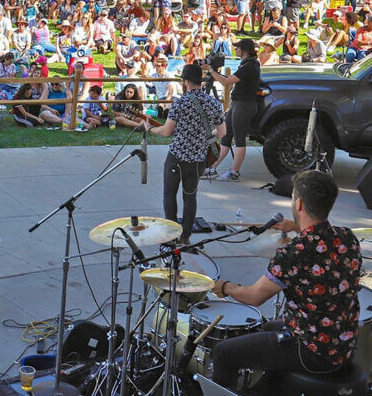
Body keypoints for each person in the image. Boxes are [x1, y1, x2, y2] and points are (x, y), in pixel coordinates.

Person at [210, 171, 361, 391]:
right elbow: (319, 239)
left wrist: (225, 287)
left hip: (312, 350)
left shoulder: (293, 253)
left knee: (224, 352)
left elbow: (253, 297)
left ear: (298, 204)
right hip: (343, 343)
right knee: (269, 327)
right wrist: (297, 226)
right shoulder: (347, 237)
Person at [145, 64, 226, 244]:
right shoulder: (213, 103)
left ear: (186, 82)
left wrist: (151, 130)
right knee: (190, 196)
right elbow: (222, 133)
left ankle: (171, 235)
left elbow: (166, 132)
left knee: (169, 195)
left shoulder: (180, 103)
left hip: (177, 157)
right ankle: (186, 237)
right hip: (198, 159)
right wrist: (202, 137)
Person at [203, 38, 261, 182]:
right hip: (238, 104)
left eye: (238, 47)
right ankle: (212, 168)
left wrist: (210, 70)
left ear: (245, 50)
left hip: (244, 105)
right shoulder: (247, 64)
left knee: (239, 139)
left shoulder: (249, 66)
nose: (235, 49)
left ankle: (234, 172)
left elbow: (226, 82)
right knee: (226, 137)